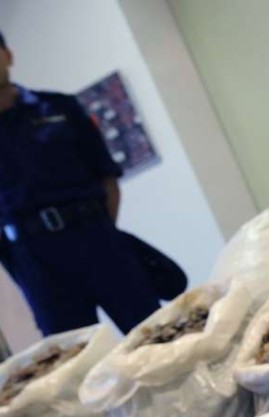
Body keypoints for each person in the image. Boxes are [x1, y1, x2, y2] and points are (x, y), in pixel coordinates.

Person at [0, 29, 160, 335]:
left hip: (97, 237)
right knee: (72, 361)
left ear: (8, 55)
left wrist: (102, 232)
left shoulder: (60, 107)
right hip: (36, 259)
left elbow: (107, 177)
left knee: (152, 333)